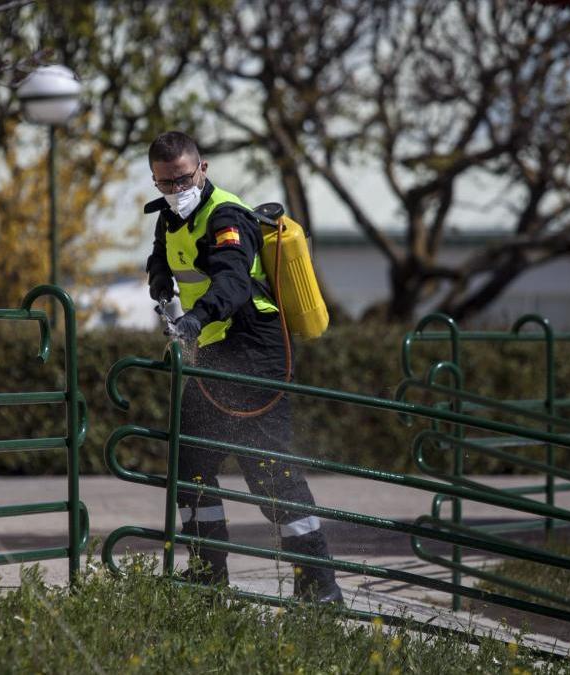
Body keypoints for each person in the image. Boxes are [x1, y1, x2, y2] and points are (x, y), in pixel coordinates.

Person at [143, 130, 342, 603]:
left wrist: (192, 321)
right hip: (212, 352)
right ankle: (208, 573)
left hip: (253, 350)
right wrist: (158, 280)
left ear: (203, 168)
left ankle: (319, 584)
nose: (175, 190)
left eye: (184, 179)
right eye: (164, 183)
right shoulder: (171, 216)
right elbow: (164, 257)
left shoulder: (226, 215)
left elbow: (232, 283)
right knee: (190, 463)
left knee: (269, 471)